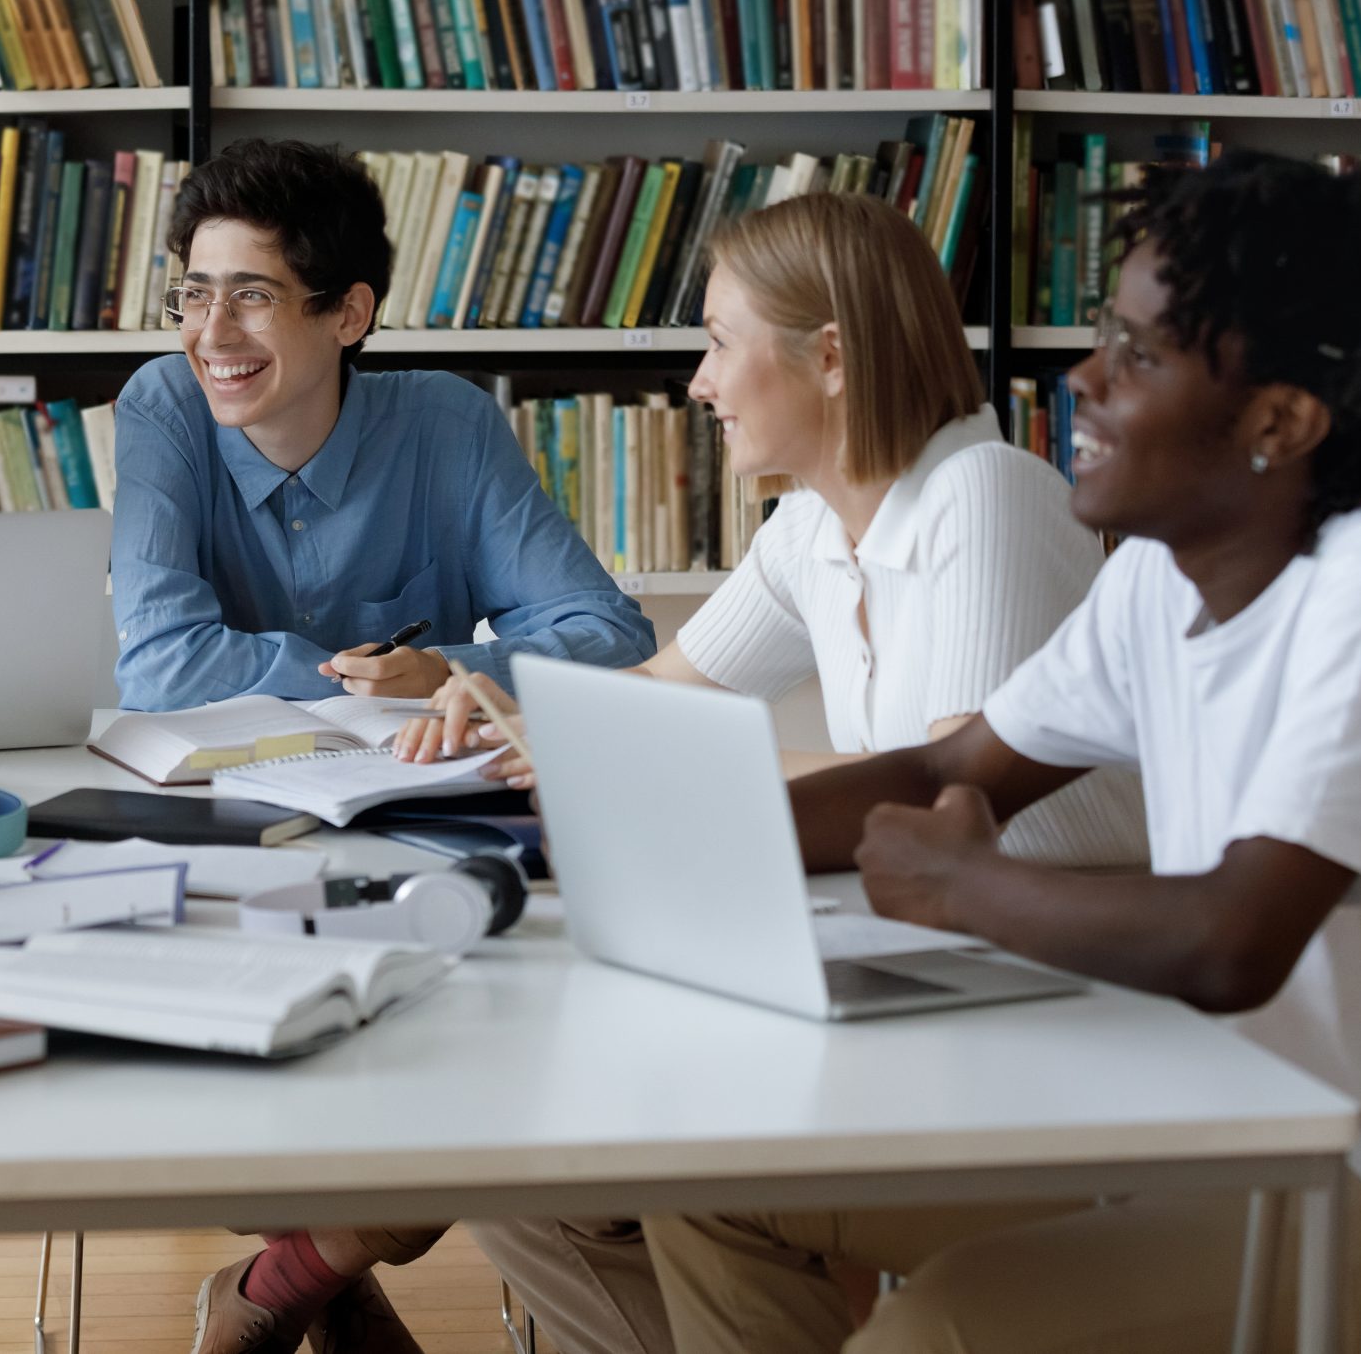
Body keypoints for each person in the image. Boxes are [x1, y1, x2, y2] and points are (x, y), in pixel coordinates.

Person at [195, 192, 1150, 1354]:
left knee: (547, 1084)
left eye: (718, 342)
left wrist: (627, 763)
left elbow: (938, 796)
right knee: (518, 1103)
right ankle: (310, 1263)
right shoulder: (813, 528)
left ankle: (303, 1261)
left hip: (1046, 1005)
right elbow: (660, 693)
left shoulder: (982, 492)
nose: (697, 383)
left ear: (831, 358)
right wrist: (507, 709)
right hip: (908, 964)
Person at [633, 152, 1361, 1352]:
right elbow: (953, 772)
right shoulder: (1161, 571)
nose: (1083, 381)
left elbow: (1232, 939)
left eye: (1138, 356)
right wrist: (667, 841)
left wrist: (961, 887)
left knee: (932, 1336)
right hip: (1199, 1115)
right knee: (707, 1177)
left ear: (1278, 421)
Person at [112, 138, 656, 713]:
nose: (212, 334)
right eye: (197, 295)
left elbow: (615, 639)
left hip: (406, 765)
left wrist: (444, 671)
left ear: (349, 315)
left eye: (252, 296)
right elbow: (160, 668)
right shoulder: (165, 408)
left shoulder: (448, 426)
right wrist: (363, 682)